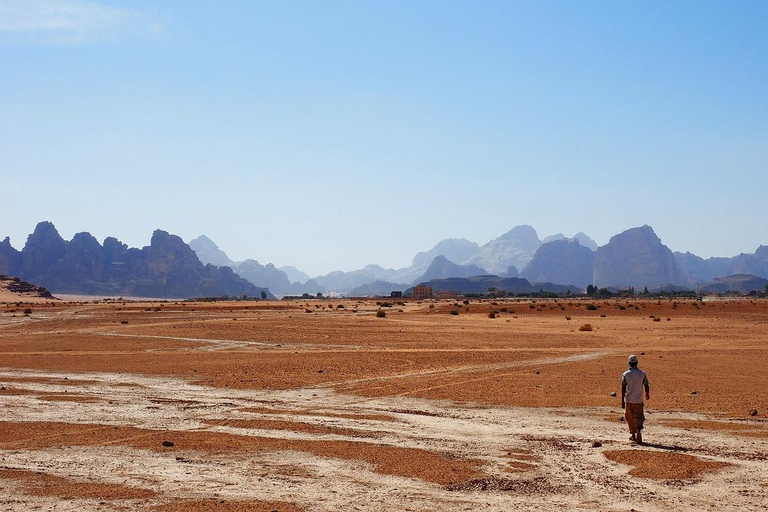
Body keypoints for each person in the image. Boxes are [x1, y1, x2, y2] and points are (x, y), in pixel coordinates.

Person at [621, 354, 650, 444]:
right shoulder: (642, 373)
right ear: (637, 362)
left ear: (629, 363)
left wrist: (622, 400)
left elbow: (623, 387)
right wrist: (647, 394)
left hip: (629, 400)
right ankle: (639, 432)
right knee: (639, 417)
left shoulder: (625, 374)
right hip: (638, 400)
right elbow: (646, 384)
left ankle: (633, 435)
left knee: (630, 417)